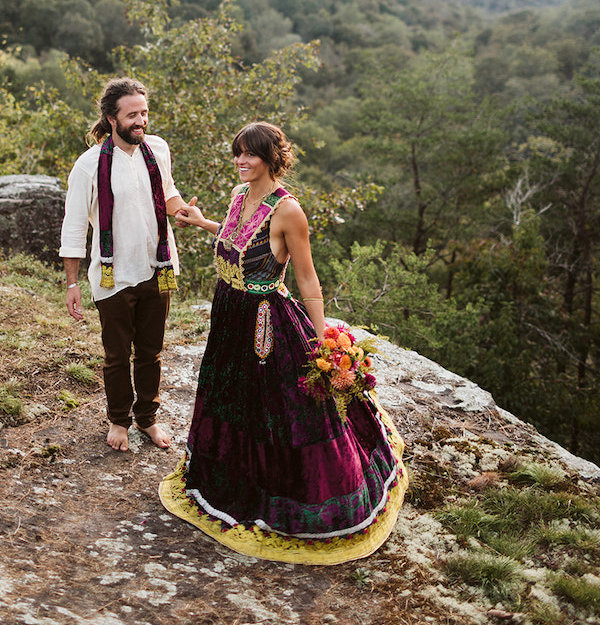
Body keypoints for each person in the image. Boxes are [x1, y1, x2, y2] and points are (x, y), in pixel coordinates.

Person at [159, 121, 406, 563]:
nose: (240, 161)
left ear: (271, 157)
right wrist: (202, 223)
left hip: (265, 324)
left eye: (249, 154)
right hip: (228, 316)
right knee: (232, 399)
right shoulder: (239, 196)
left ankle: (282, 499)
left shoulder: (289, 211)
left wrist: (322, 339)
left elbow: (307, 278)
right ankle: (232, 483)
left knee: (277, 412)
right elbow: (237, 241)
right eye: (237, 152)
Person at [60, 77, 192, 452]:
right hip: (112, 275)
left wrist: (182, 212)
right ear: (110, 117)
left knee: (151, 352)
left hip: (158, 268)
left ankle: (147, 418)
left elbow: (167, 193)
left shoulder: (158, 149)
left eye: (145, 113)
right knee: (117, 355)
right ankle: (118, 420)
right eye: (132, 115)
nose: (141, 121)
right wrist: (72, 284)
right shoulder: (87, 166)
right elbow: (72, 229)